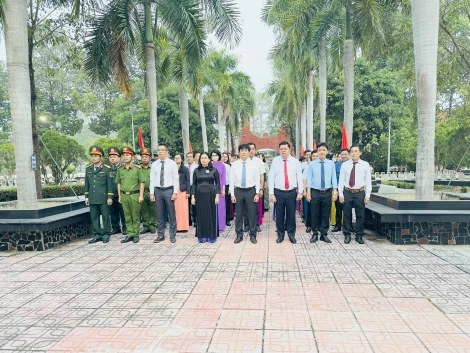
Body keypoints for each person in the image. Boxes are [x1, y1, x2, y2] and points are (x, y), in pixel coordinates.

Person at [268, 141, 303, 244]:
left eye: (285, 148)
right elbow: (271, 178)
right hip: (278, 192)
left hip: (291, 192)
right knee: (279, 215)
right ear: (279, 150)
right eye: (281, 149)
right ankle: (280, 235)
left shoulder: (295, 162)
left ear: (289, 150)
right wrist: (271, 193)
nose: (283, 150)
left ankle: (291, 235)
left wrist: (300, 192)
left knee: (291, 215)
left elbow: (299, 178)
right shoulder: (275, 161)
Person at [338, 145, 372, 244]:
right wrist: (341, 194)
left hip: (360, 192)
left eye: (356, 151)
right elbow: (341, 180)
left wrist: (367, 195)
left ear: (360, 153)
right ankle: (347, 234)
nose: (353, 153)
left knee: (360, 214)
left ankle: (359, 235)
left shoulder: (365, 164)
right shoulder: (345, 165)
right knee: (347, 214)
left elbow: (368, 181)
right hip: (347, 191)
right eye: (352, 151)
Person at [306, 142, 338, 243]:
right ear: (317, 151)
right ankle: (315, 233)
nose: (322, 152)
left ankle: (324, 234)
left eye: (324, 150)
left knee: (325, 214)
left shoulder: (331, 163)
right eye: (320, 150)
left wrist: (335, 191)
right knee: (314, 213)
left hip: (327, 192)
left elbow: (334, 178)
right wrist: (308, 192)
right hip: (315, 192)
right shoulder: (312, 164)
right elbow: (309, 179)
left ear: (327, 151)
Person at [230, 144, 261, 244]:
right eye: (241, 150)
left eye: (245, 150)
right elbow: (231, 180)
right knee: (238, 214)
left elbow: (257, 179)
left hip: (250, 191)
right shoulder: (234, 165)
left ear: (248, 152)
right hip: (238, 191)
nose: (243, 152)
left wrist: (257, 193)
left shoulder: (254, 164)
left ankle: (253, 235)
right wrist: (232, 194)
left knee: (252, 214)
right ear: (239, 152)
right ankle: (239, 235)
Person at [150, 143, 179, 243]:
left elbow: (176, 179)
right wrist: (151, 193)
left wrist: (175, 192)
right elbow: (152, 179)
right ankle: (160, 234)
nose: (160, 151)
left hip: (169, 190)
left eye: (162, 150)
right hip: (158, 191)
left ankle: (172, 235)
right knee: (159, 214)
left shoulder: (172, 163)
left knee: (171, 214)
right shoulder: (154, 164)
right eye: (158, 150)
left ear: (166, 152)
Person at [115, 146, 145, 243]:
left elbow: (142, 182)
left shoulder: (137, 169)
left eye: (127, 155)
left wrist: (141, 196)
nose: (125, 157)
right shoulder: (120, 169)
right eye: (124, 155)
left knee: (135, 216)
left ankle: (136, 234)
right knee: (127, 215)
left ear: (132, 157)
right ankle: (129, 234)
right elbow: (119, 183)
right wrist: (120, 196)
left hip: (134, 195)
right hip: (124, 195)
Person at [85, 146, 114, 244]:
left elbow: (109, 185)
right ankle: (97, 234)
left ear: (100, 156)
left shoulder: (106, 169)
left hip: (103, 198)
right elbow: (87, 184)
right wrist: (86, 197)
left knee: (105, 217)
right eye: (92, 156)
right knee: (94, 217)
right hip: (92, 197)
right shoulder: (88, 169)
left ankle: (106, 234)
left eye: (96, 156)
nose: (93, 158)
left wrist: (110, 197)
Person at [191, 152, 221, 243]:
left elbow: (218, 184)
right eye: (202, 158)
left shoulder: (214, 170)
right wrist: (193, 197)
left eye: (205, 158)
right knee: (201, 215)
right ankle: (202, 236)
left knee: (211, 215)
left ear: (209, 159)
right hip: (199, 195)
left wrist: (217, 196)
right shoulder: (196, 170)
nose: (203, 160)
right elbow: (194, 184)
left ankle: (211, 236)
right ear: (199, 160)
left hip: (211, 194)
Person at [244, 142, 265, 233]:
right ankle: (247, 225)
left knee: (256, 208)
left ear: (255, 150)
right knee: (245, 208)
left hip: (255, 188)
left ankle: (256, 225)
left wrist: (261, 188)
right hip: (245, 188)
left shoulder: (259, 161)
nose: (251, 151)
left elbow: (261, 175)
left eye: (253, 149)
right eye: (250, 149)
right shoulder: (243, 161)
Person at [108, 147, 127, 236]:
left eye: (114, 157)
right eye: (111, 157)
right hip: (111, 195)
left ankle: (125, 228)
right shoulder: (107, 169)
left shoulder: (123, 168)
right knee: (113, 212)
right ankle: (115, 228)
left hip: (121, 194)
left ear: (119, 158)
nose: (112, 158)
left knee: (123, 212)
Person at [139, 148, 157, 234]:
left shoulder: (154, 167)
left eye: (146, 157)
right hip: (142, 192)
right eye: (142, 157)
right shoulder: (138, 168)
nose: (144, 158)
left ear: (150, 158)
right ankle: (146, 226)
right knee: (144, 210)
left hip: (152, 192)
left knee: (153, 210)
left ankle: (152, 225)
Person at [332, 148, 350, 232]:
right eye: (342, 154)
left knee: (348, 209)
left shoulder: (351, 165)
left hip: (349, 190)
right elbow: (334, 178)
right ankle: (337, 225)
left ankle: (349, 226)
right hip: (339, 190)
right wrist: (335, 190)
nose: (343, 156)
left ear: (349, 155)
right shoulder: (336, 165)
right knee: (338, 209)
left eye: (345, 154)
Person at [211, 150, 227, 233]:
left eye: (216, 155)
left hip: (219, 188)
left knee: (220, 208)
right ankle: (212, 225)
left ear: (219, 156)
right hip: (210, 188)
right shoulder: (209, 165)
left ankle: (220, 226)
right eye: (213, 155)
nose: (214, 157)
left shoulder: (222, 166)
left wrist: (223, 189)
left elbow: (223, 178)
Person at [174, 153, 190, 232]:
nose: (177, 159)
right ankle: (177, 227)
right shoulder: (172, 168)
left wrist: (188, 191)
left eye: (178, 158)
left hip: (182, 190)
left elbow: (188, 181)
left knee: (183, 209)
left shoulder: (185, 169)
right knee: (175, 209)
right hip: (174, 191)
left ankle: (184, 227)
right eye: (175, 158)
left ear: (182, 159)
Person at [186, 152, 198, 226]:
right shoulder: (184, 167)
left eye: (190, 157)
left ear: (193, 158)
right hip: (186, 188)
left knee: (194, 204)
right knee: (186, 205)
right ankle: (188, 221)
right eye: (188, 157)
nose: (189, 158)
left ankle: (196, 221)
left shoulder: (197, 167)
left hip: (194, 187)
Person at [301, 149, 312, 232]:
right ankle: (307, 222)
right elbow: (303, 179)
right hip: (306, 188)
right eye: (307, 154)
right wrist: (303, 190)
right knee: (307, 207)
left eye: (310, 154)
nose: (308, 156)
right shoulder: (303, 165)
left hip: (316, 190)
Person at [222, 152, 234, 226]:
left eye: (225, 156)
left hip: (227, 185)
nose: (224, 158)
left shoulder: (228, 166)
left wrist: (230, 188)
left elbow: (230, 177)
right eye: (222, 156)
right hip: (219, 186)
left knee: (227, 203)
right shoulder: (216, 165)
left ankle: (227, 219)